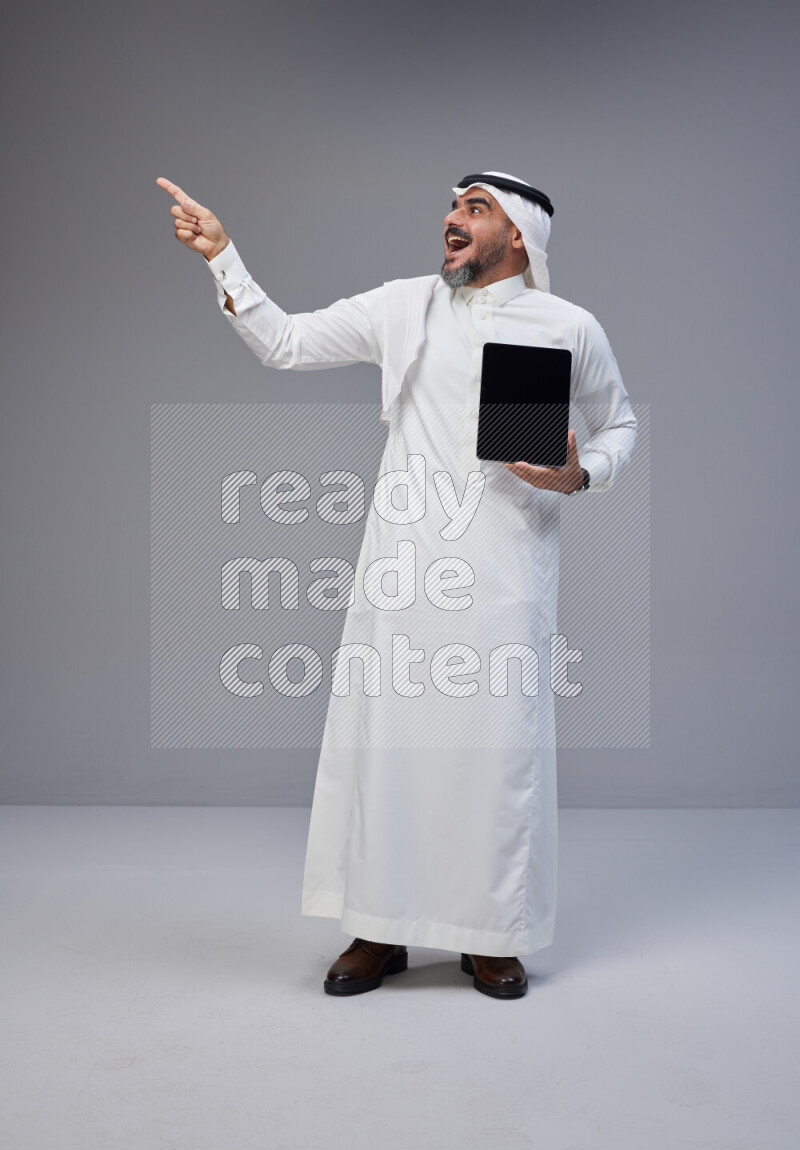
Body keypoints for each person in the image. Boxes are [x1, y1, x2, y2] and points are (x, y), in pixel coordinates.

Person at [157, 171, 637, 1000]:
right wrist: (223, 256)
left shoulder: (567, 326)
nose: (453, 219)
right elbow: (286, 342)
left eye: (476, 209)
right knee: (388, 751)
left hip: (507, 573)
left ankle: (492, 936)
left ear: (519, 236)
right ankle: (378, 928)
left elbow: (619, 423)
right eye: (454, 206)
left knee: (495, 756)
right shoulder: (403, 305)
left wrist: (579, 473)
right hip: (404, 570)